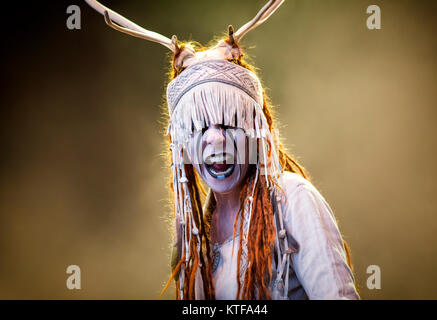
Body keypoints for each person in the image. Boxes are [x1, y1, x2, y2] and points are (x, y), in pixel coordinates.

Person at [85, 0, 360, 300]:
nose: (215, 140)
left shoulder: (292, 201)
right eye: (199, 128)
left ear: (257, 133)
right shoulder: (194, 236)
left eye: (229, 124)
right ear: (182, 145)